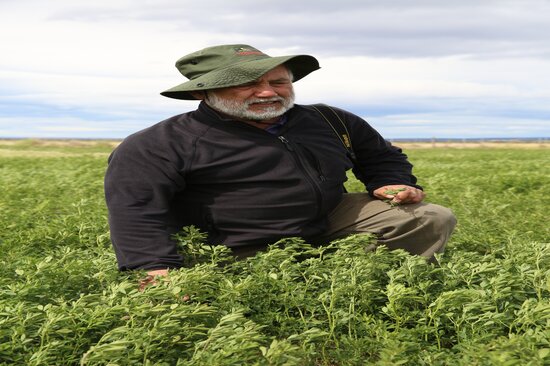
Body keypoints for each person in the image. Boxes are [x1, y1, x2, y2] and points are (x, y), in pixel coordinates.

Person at [104, 44, 457, 281]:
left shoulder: (329, 119)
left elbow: (378, 155)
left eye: (279, 81)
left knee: (429, 217)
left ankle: (368, 285)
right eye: (247, 84)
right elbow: (136, 213)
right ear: (202, 92)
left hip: (325, 220)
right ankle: (299, 282)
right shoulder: (157, 145)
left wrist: (390, 180)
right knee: (233, 292)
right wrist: (154, 270)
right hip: (234, 247)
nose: (269, 92)